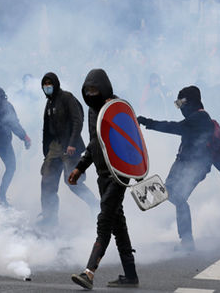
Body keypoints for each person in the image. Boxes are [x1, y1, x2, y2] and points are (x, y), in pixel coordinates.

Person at [137, 86, 220, 251]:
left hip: (194, 168)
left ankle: (187, 241)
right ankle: (185, 239)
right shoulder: (200, 117)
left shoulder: (200, 118)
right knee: (171, 195)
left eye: (182, 103)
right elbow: (213, 149)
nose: (181, 108)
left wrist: (148, 122)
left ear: (191, 102)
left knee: (178, 198)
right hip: (183, 163)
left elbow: (173, 127)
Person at [68, 69, 139, 289]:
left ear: (104, 88)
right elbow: (94, 143)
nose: (91, 94)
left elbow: (131, 142)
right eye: (87, 90)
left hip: (119, 174)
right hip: (102, 175)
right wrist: (80, 167)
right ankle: (131, 276)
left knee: (104, 221)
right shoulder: (92, 110)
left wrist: (132, 171)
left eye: (95, 89)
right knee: (118, 225)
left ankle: (89, 272)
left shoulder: (116, 109)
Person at [39, 72, 97, 228]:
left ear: (56, 83)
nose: (47, 87)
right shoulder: (49, 103)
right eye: (44, 84)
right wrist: (46, 150)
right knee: (47, 182)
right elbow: (46, 127)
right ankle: (49, 219)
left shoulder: (67, 97)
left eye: (49, 83)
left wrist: (72, 143)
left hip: (69, 146)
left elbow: (77, 120)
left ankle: (95, 205)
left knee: (72, 181)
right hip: (54, 146)